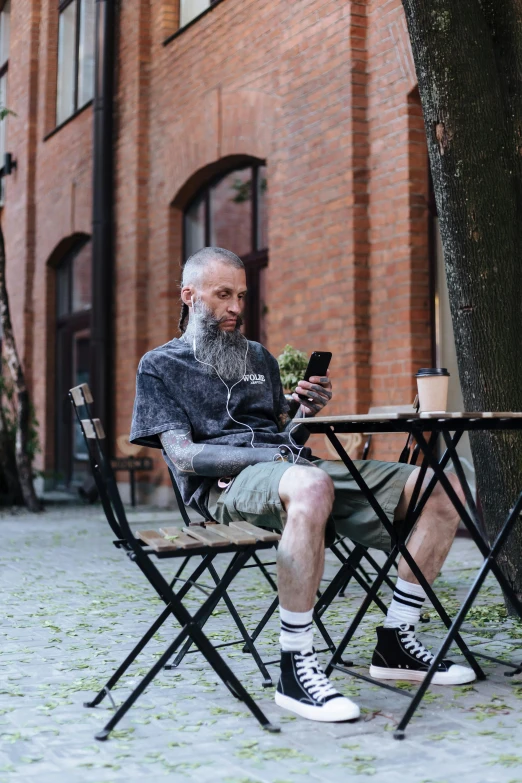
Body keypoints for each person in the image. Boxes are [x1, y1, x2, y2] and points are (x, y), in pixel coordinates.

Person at [130, 246, 475, 723]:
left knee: (438, 486)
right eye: (223, 295)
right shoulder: (159, 365)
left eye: (241, 296)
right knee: (311, 485)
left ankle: (396, 639)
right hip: (223, 490)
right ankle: (295, 665)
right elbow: (185, 457)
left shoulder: (259, 358)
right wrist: (268, 454)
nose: (235, 307)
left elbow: (282, 436)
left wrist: (305, 413)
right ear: (189, 296)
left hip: (288, 469)